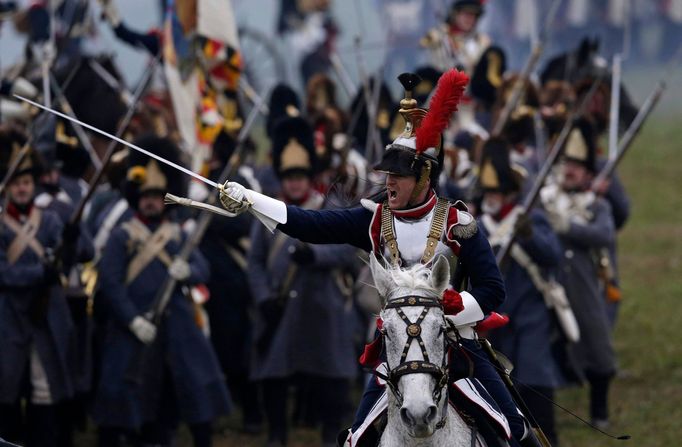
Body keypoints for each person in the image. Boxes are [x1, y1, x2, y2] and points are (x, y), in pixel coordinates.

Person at [215, 70, 541, 446]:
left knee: (515, 430)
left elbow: (492, 289)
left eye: (399, 176)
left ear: (425, 176)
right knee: (355, 439)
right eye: (388, 175)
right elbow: (310, 224)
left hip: (454, 342)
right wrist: (252, 201)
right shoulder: (373, 218)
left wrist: (455, 305)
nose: (389, 182)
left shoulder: (457, 222)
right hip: (397, 346)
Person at [91, 135, 231, 447]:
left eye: (157, 196)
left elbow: (202, 268)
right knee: (125, 399)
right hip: (135, 326)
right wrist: (132, 320)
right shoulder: (121, 236)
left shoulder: (179, 233)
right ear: (136, 198)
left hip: (177, 325)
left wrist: (188, 272)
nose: (151, 201)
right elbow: (110, 284)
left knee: (193, 387)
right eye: (146, 196)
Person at [248, 115, 359, 447]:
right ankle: (277, 435)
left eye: (300, 176)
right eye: (289, 177)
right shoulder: (267, 209)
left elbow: (347, 250)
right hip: (280, 308)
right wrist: (263, 297)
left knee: (330, 381)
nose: (295, 183)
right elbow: (254, 262)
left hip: (323, 304)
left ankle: (330, 436)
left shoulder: (329, 205)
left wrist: (315, 256)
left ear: (309, 177)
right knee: (275, 377)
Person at [0, 126, 89, 446]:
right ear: (7, 187)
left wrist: (71, 243)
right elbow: (3, 273)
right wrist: (39, 273)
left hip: (46, 316)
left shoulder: (50, 220)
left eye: (26, 182)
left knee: (45, 389)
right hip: (9, 317)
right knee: (7, 390)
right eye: (16, 183)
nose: (22, 189)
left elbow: (70, 261)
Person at [477, 138, 563, 445]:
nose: (491, 197)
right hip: (491, 318)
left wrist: (527, 235)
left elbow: (552, 254)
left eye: (497, 192)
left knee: (534, 380)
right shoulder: (477, 226)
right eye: (488, 191)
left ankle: (546, 438)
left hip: (530, 312)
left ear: (511, 193)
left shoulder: (530, 218)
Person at [540, 119, 617, 429]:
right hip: (546, 286)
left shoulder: (596, 205)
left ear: (587, 173)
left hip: (583, 286)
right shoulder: (545, 198)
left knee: (598, 350)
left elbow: (604, 235)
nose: (569, 170)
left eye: (576, 165)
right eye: (566, 163)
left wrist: (568, 227)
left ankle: (600, 413)